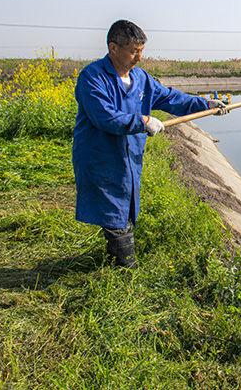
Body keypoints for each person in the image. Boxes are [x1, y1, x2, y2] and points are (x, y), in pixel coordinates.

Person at [72, 19, 227, 269]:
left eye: (141, 51)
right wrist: (143, 120)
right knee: (114, 214)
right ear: (114, 48)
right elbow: (105, 117)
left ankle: (112, 262)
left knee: (125, 209)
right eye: (134, 51)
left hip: (129, 157)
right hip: (100, 157)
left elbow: (170, 98)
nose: (139, 58)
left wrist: (205, 104)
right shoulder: (92, 78)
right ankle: (126, 272)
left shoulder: (141, 78)